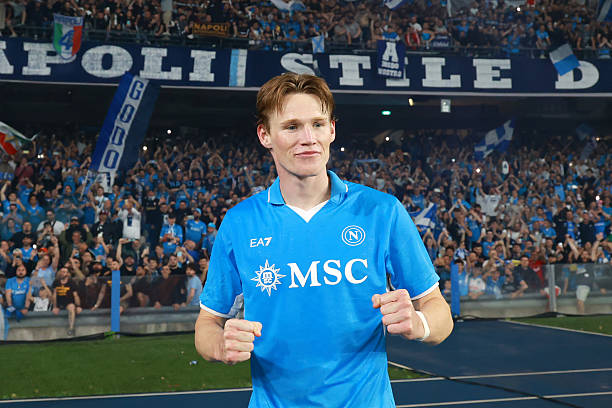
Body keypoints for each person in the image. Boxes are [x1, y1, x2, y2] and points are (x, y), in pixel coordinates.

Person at [194, 73, 453, 407]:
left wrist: (419, 322)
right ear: (265, 135)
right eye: (291, 127)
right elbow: (208, 323)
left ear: (331, 130)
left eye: (317, 124)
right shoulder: (240, 223)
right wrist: (220, 345)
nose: (308, 138)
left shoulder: (381, 211)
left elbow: (440, 314)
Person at [52, 267, 83, 336]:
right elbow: (54, 295)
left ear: (67, 273)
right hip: (60, 303)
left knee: (72, 307)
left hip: (69, 302)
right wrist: (55, 307)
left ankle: (71, 328)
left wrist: (78, 306)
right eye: (61, 271)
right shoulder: (56, 282)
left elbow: (75, 295)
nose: (63, 273)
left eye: (64, 272)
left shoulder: (71, 282)